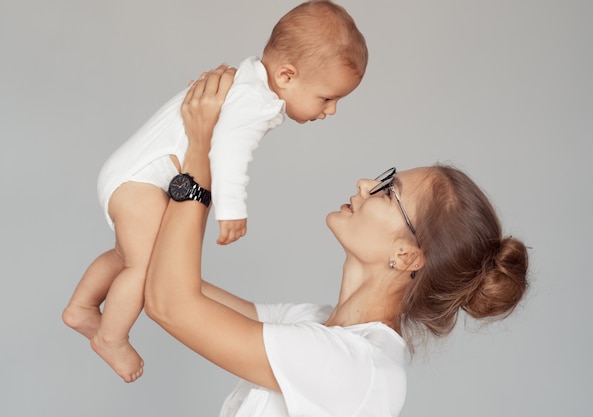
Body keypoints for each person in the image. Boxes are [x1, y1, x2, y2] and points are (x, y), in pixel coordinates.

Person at [144, 66, 529, 417]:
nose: (365, 184)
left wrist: (202, 151)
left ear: (407, 255)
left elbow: (171, 304)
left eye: (387, 191)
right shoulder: (317, 324)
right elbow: (171, 286)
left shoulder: (355, 365)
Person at [61, 0, 367, 383]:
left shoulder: (248, 81)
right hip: (139, 183)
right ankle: (111, 337)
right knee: (145, 266)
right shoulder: (254, 101)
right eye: (327, 97)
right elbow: (228, 152)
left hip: (129, 173)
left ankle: (81, 307)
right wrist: (232, 209)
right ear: (287, 76)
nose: (332, 110)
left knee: (128, 254)